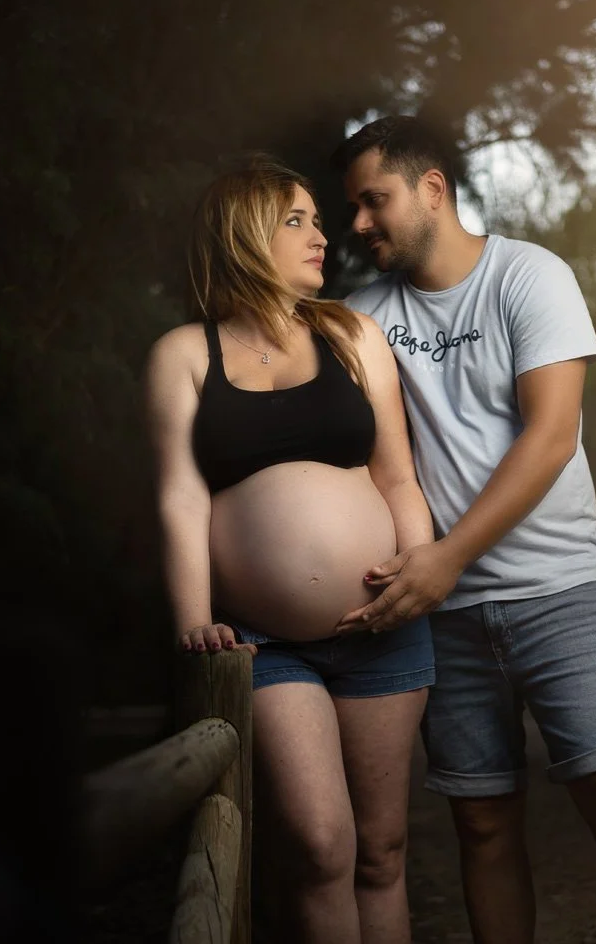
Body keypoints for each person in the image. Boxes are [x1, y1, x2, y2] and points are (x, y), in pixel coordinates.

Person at [332, 117, 596, 944]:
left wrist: (447, 558)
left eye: (373, 201)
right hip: (441, 616)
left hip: (560, 589)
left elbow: (551, 435)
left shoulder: (530, 275)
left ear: (432, 189)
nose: (357, 223)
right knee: (483, 822)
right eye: (350, 207)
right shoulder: (359, 317)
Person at [144, 154, 435, 944]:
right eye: (296, 220)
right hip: (262, 642)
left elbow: (397, 475)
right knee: (318, 845)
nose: (321, 236)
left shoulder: (352, 334)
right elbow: (180, 497)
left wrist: (416, 570)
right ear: (245, 235)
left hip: (384, 627)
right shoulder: (184, 353)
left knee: (381, 850)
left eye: (316, 219)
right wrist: (195, 621)